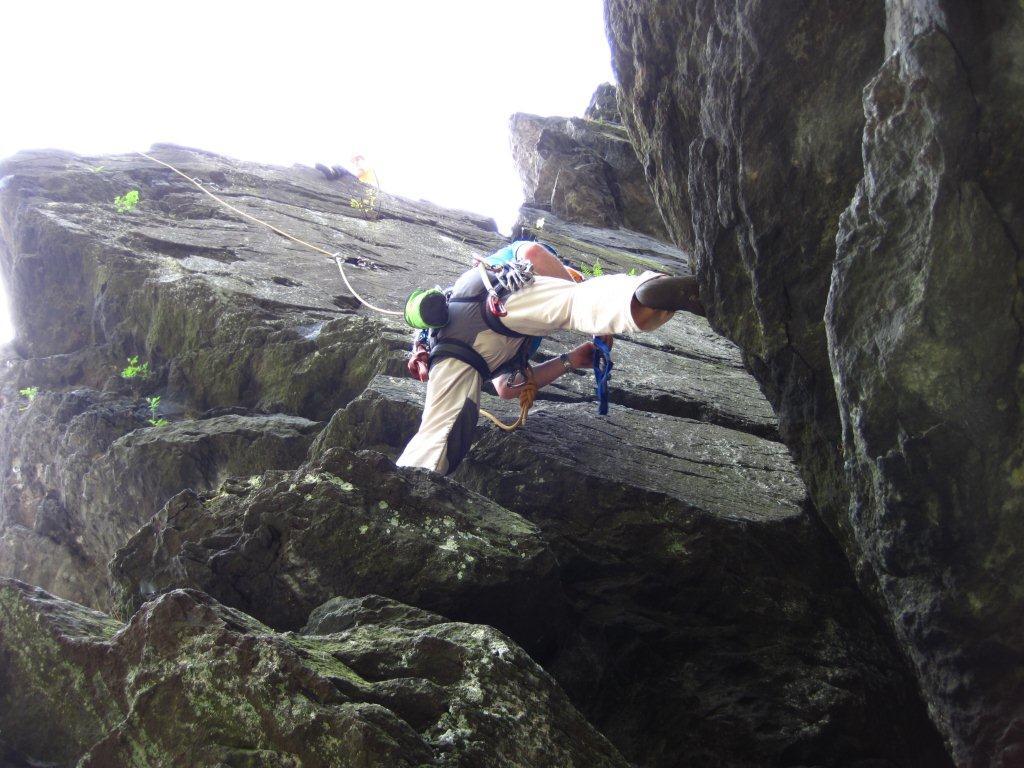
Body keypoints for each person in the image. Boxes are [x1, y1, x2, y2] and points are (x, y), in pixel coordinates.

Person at [396, 240, 705, 475]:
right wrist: (582, 297)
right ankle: (645, 295)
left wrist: (570, 360)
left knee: (443, 432)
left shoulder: (526, 334)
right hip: (496, 296)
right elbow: (533, 254)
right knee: (578, 303)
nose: (573, 278)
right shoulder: (519, 259)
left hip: (458, 349)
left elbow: (506, 387)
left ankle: (411, 484)